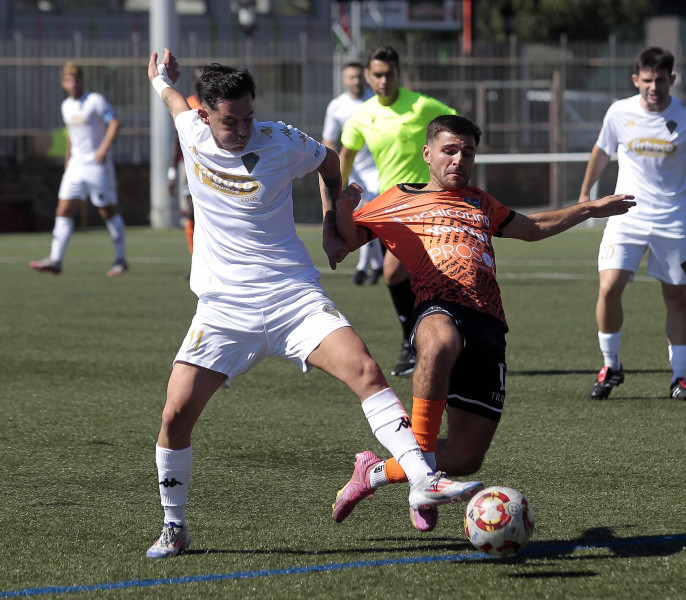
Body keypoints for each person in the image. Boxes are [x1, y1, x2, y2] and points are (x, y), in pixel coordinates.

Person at [144, 50, 482, 559]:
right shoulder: (190, 130)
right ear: (205, 115)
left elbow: (329, 161)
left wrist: (330, 219)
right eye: (229, 121)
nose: (241, 129)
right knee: (174, 416)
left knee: (367, 370)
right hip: (222, 309)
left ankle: (423, 478)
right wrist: (161, 80)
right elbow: (171, 98)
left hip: (292, 296)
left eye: (247, 117)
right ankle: (175, 527)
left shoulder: (278, 140)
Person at [331, 114, 635, 531]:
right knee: (438, 345)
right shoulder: (397, 199)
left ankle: (374, 472)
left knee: (466, 457)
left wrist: (590, 209)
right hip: (437, 304)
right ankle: (426, 480)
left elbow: (532, 228)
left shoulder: (481, 202)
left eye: (467, 152)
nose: (459, 159)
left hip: (489, 325)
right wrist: (341, 210)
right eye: (449, 150)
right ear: (428, 154)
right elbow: (344, 243)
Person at [578, 47, 686, 402]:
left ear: (672, 80)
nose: (654, 87)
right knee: (608, 288)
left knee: (676, 297)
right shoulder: (619, 113)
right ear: (636, 79)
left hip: (672, 220)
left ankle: (679, 378)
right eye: (647, 80)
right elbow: (602, 150)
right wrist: (584, 193)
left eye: (661, 80)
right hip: (625, 214)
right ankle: (611, 365)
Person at [339, 46, 457, 377]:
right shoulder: (363, 115)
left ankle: (417, 343)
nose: (383, 80)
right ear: (367, 76)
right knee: (399, 275)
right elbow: (346, 154)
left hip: (431, 202)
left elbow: (457, 126)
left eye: (389, 73)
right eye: (377, 74)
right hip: (392, 205)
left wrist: (451, 166)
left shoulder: (422, 106)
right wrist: (337, 195)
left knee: (398, 272)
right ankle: (416, 340)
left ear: (398, 73)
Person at [30, 61, 128, 277]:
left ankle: (120, 259)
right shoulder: (66, 106)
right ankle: (55, 260)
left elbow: (114, 123)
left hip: (96, 165)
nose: (73, 83)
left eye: (77, 79)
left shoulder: (95, 100)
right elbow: (71, 137)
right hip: (75, 166)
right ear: (63, 83)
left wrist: (103, 149)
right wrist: (67, 160)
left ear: (82, 80)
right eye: (69, 80)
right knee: (63, 210)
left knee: (106, 211)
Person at [322, 61, 383, 286]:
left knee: (369, 218)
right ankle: (375, 266)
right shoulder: (337, 106)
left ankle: (364, 268)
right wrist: (335, 167)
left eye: (359, 77)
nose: (356, 81)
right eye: (351, 77)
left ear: (365, 77)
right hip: (355, 172)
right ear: (344, 80)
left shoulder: (376, 101)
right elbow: (329, 139)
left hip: (380, 170)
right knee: (363, 219)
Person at [168, 71, 202, 257]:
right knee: (192, 215)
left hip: (213, 168)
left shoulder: (217, 106)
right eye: (198, 81)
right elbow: (177, 140)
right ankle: (196, 260)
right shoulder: (187, 104)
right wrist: (172, 172)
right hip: (190, 169)